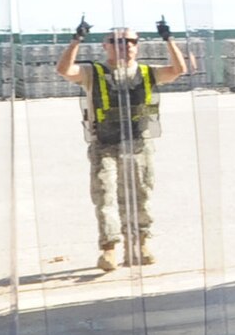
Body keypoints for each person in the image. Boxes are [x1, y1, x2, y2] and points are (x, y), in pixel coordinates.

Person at [57, 17, 190, 272]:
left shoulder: (147, 72)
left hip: (138, 144)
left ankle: (140, 245)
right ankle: (109, 249)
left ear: (137, 46)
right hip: (104, 144)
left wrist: (168, 38)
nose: (124, 45)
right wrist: (77, 39)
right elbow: (64, 70)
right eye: (117, 41)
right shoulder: (93, 73)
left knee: (141, 194)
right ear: (105, 46)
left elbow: (178, 70)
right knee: (105, 196)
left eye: (130, 41)